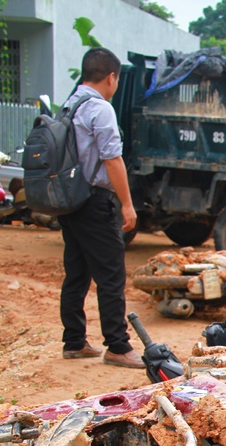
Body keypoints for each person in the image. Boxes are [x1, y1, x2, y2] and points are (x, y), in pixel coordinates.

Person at [58, 47, 143, 369]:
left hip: (71, 199)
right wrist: (127, 204)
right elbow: (112, 160)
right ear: (111, 77)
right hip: (95, 201)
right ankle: (118, 346)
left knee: (77, 272)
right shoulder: (100, 109)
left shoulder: (69, 105)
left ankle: (74, 341)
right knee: (110, 275)